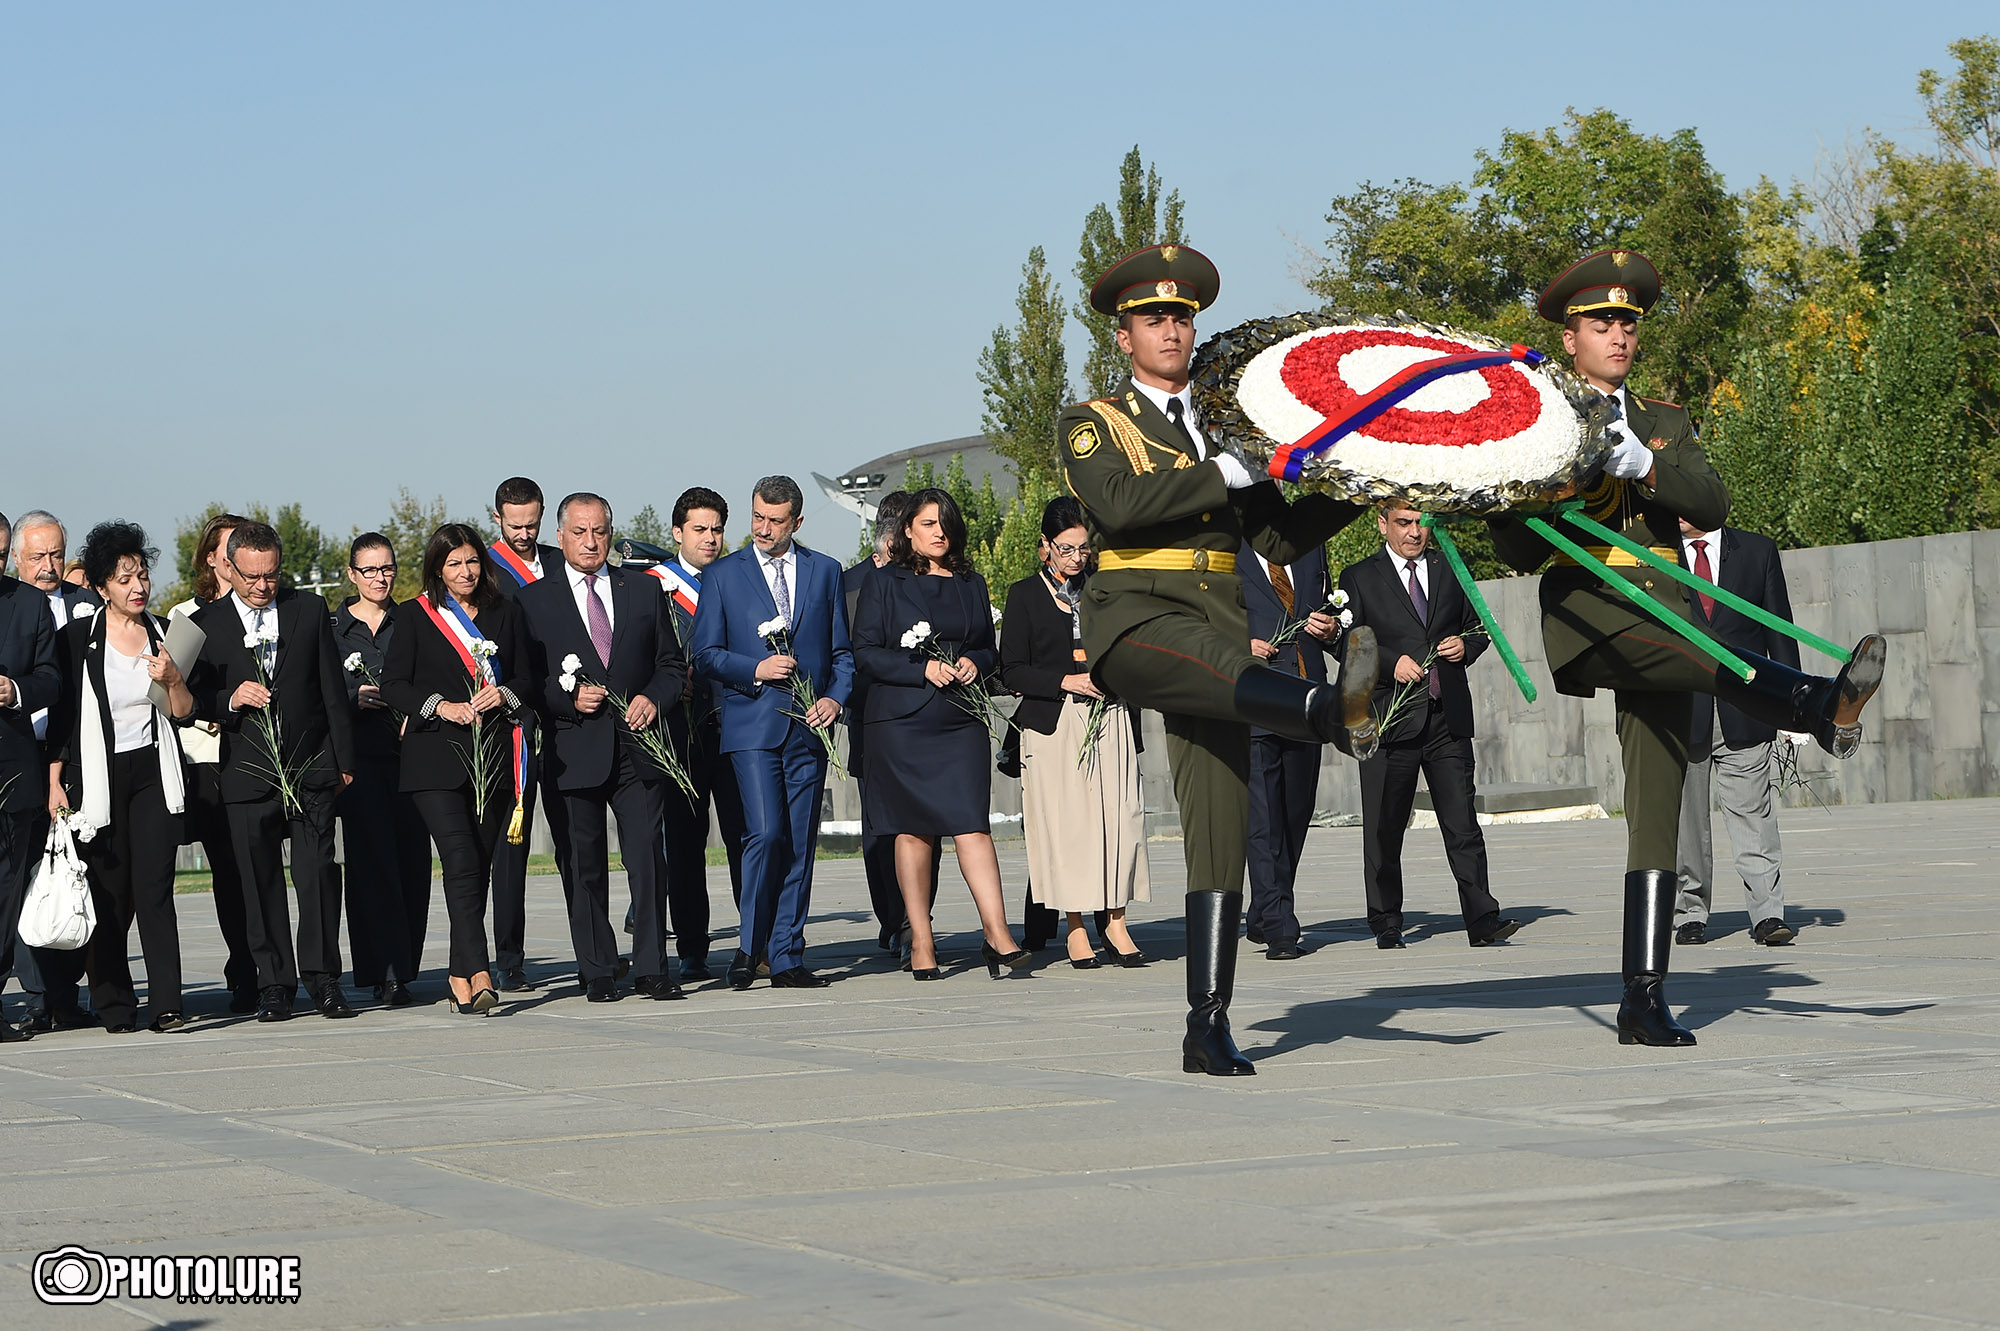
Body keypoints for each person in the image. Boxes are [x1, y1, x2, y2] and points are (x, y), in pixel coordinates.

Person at [1487, 249, 1886, 1047]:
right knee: (1698, 671)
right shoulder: (1535, 419)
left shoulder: (1662, 422)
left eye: (1628, 323)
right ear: (1569, 338)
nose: (1619, 335)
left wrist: (1647, 461)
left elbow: (1711, 499)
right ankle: (1809, 702)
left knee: (1657, 814)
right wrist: (1524, 476)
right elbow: (1517, 548)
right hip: (1596, 610)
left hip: (1668, 624)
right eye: (1602, 323)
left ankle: (1642, 995)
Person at [1059, 243, 1379, 1076]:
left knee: (1221, 829)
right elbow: (1122, 505)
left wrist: (1355, 487)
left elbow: (1276, 536)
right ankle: (1325, 711)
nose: (1170, 328)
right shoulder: (1097, 421)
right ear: (1124, 337)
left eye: (1180, 316)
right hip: (1135, 619)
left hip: (1219, 639)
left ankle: (1208, 1023)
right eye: (1152, 318)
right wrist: (1224, 470)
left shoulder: (1228, 429)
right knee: (1214, 661)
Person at [517, 492, 688, 1002]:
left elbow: (672, 666)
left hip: (640, 748)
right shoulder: (533, 600)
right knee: (582, 864)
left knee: (647, 860)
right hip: (573, 751)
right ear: (560, 536)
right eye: (580, 532)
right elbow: (525, 684)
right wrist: (568, 698)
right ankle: (596, 969)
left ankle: (654, 967)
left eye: (599, 532)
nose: (591, 542)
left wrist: (653, 700)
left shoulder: (642, 590)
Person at [185, 521, 357, 1023]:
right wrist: (227, 699)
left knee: (317, 876)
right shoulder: (205, 623)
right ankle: (273, 985)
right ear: (229, 567)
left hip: (312, 771)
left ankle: (324, 981)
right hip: (245, 774)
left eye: (272, 575)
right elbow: (184, 700)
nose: (263, 586)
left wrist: (344, 762)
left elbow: (331, 690)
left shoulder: (308, 609)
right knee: (258, 884)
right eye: (253, 576)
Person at [852, 489, 1024, 981]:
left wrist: (978, 660)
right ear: (908, 530)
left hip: (960, 721)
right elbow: (866, 653)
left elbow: (989, 649)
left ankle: (998, 934)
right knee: (913, 829)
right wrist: (921, 667)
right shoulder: (885, 583)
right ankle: (921, 939)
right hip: (903, 724)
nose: (939, 531)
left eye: (945, 522)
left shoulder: (972, 583)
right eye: (928, 523)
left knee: (973, 824)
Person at [690, 475, 853, 990]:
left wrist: (833, 698)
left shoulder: (825, 571)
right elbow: (705, 653)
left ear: (796, 522)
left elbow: (843, 656)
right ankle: (747, 948)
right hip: (751, 727)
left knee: (801, 844)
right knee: (766, 833)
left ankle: (786, 956)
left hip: (809, 729)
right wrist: (754, 670)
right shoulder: (722, 575)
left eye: (774, 520)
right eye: (757, 516)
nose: (762, 528)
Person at [1340, 505, 1519, 950]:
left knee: (1462, 823)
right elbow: (1346, 642)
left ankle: (1482, 918)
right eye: (1404, 523)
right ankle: (1386, 920)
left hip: (1446, 716)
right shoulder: (1359, 577)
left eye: (1421, 523)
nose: (1415, 532)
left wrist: (1467, 644)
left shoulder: (1449, 567)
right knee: (1384, 826)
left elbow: (1480, 627)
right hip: (1388, 719)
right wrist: (1387, 662)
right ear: (1382, 524)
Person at [44, 523, 194, 1033]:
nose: (137, 587)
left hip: (153, 769)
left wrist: (173, 678)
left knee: (155, 888)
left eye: (143, 575)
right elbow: (63, 720)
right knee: (109, 894)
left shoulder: (165, 634)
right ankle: (114, 1004)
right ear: (101, 585)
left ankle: (168, 1004)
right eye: (124, 577)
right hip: (97, 776)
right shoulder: (77, 639)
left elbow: (182, 711)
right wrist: (54, 781)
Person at [383, 525, 535, 1014]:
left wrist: (505, 694)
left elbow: (530, 678)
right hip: (433, 761)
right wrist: (438, 706)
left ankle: (457, 971)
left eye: (471, 561)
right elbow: (394, 685)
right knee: (461, 860)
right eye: (453, 564)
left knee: (475, 869)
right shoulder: (414, 616)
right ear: (437, 570)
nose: (465, 572)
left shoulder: (505, 612)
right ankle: (482, 970)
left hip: (492, 759)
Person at [1001, 496, 1149, 969]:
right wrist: (1065, 681)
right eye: (1067, 549)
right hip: (1055, 723)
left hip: (1112, 713)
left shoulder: (1106, 590)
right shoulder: (1024, 594)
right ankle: (1076, 926)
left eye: (1084, 549)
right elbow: (1011, 670)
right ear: (1045, 547)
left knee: (1121, 819)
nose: (1077, 559)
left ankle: (1116, 921)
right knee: (1070, 828)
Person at [1674, 519, 1802, 947]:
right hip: (1679, 710)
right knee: (1686, 822)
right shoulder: (1655, 553)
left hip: (1745, 709)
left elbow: (1778, 629)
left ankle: (1768, 913)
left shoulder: (1757, 551)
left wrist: (1791, 704)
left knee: (1753, 814)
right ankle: (1689, 912)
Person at [645, 487, 747, 983]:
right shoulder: (651, 587)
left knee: (744, 837)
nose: (710, 539)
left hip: (736, 727)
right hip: (679, 733)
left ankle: (757, 939)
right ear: (677, 533)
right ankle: (691, 946)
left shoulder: (740, 578)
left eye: (717, 529)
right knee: (684, 844)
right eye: (699, 530)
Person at [331, 532, 434, 1005]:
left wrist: (416, 707)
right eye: (369, 570)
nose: (379, 577)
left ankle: (405, 967)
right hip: (360, 762)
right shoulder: (332, 628)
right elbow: (320, 693)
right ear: (352, 574)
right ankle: (379, 969)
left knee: (413, 863)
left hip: (412, 756)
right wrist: (355, 698)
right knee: (371, 868)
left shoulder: (413, 619)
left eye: (387, 568)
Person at [9, 511, 101, 1030]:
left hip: (76, 758)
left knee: (71, 874)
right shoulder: (12, 610)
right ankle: (39, 995)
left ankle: (66, 994)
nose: (49, 566)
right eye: (37, 556)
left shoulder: (83, 607)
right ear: (16, 558)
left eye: (56, 555)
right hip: (26, 754)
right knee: (25, 877)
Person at [169, 513, 260, 1014]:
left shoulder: (271, 614)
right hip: (207, 760)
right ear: (212, 559)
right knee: (228, 869)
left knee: (257, 869)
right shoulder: (187, 618)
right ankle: (242, 967)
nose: (234, 557)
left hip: (261, 757)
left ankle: (269, 964)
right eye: (228, 549)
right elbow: (174, 697)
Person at [843, 489, 938, 960]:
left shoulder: (934, 575)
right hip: (871, 720)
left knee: (926, 826)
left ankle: (917, 918)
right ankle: (893, 918)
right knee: (881, 831)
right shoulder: (848, 585)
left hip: (927, 721)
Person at [484, 476, 569, 992]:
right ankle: (509, 958)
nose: (524, 533)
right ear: (497, 518)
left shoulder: (564, 560)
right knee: (510, 848)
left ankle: (595, 949)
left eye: (532, 524)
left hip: (570, 718)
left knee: (575, 845)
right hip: (516, 722)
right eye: (514, 525)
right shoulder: (484, 571)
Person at [1239, 530, 1339, 961]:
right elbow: (1201, 620)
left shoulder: (1308, 544)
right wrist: (1235, 646)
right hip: (1255, 694)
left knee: (1297, 811)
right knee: (1262, 818)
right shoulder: (1223, 547)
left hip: (1307, 696)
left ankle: (1264, 908)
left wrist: (1333, 629)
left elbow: (1330, 609)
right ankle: (1282, 924)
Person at [0, 528, 59, 1042]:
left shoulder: (29, 605)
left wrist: (15, 689)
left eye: (0, 555)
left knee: (5, 891)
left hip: (14, 771)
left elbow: (51, 678)